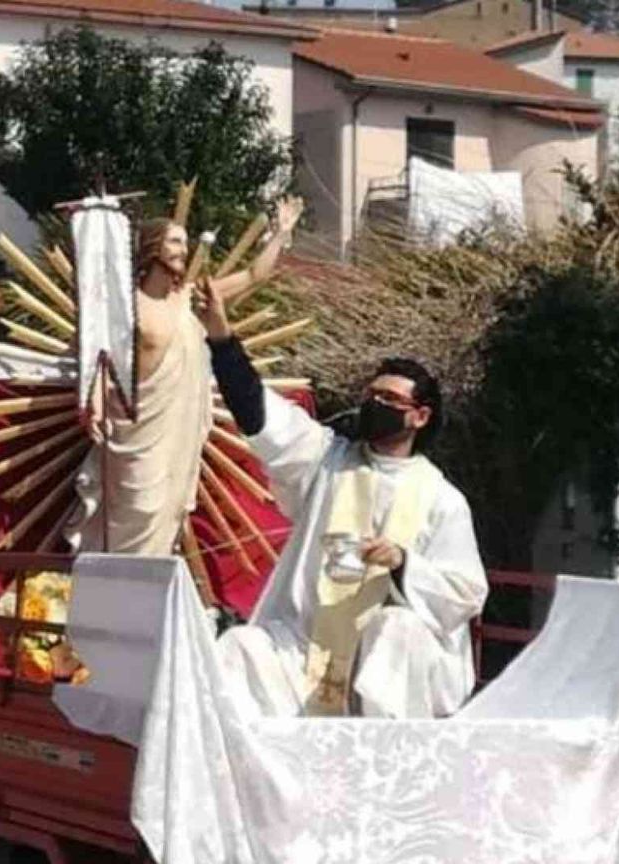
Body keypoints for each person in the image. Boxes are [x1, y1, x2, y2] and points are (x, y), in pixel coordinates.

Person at [195, 280, 488, 719]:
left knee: (395, 628)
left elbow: (464, 593)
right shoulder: (326, 460)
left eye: (389, 399)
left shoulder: (442, 500)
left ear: (421, 416)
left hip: (399, 661)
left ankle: (378, 762)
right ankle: (241, 779)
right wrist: (221, 338)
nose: (375, 404)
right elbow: (259, 415)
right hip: (309, 647)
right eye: (371, 396)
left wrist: (402, 562)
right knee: (242, 646)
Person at [67, 197, 304, 555]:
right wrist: (95, 404)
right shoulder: (126, 305)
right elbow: (101, 358)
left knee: (165, 516)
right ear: (151, 247)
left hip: (179, 434)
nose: (185, 248)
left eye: (185, 240)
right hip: (135, 432)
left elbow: (256, 275)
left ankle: (147, 598)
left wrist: (280, 234)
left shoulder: (190, 298)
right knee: (137, 509)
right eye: (175, 241)